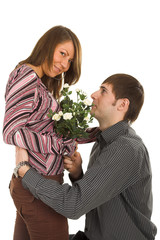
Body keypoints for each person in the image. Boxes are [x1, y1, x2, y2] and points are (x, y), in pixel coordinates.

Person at [14, 74, 157, 240]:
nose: (93, 94)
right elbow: (98, 196)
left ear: (122, 104)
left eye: (103, 91)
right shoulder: (104, 141)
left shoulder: (125, 148)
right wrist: (77, 175)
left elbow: (74, 205)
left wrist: (25, 170)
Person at [3, 25, 97, 240]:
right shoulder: (26, 76)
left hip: (35, 186)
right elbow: (11, 131)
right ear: (47, 45)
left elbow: (56, 132)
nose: (65, 64)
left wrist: (99, 132)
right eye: (62, 53)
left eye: (70, 60)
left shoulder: (39, 84)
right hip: (39, 189)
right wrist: (60, 146)